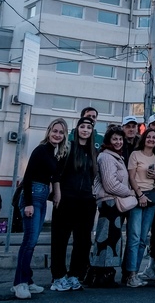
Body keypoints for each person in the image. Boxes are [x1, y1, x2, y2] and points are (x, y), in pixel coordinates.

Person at [12, 118, 68, 300]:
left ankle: (27, 281)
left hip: (42, 196)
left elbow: (55, 176)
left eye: (61, 132)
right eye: (55, 131)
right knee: (29, 241)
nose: (57, 135)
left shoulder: (54, 152)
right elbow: (28, 176)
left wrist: (57, 194)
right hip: (33, 196)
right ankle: (19, 283)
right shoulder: (41, 149)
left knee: (32, 242)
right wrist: (28, 203)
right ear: (49, 131)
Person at [50, 116, 98, 292]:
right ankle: (58, 276)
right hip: (66, 200)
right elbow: (56, 173)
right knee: (60, 240)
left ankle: (74, 275)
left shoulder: (94, 152)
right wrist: (57, 193)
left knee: (83, 241)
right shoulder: (68, 147)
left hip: (86, 202)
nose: (85, 130)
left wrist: (94, 194)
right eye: (82, 127)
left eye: (89, 128)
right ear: (77, 129)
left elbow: (95, 177)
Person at [91, 124, 131, 288]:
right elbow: (110, 185)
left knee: (111, 238)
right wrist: (130, 192)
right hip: (109, 202)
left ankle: (105, 274)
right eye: (115, 139)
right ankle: (102, 275)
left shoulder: (115, 156)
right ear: (108, 140)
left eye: (120, 139)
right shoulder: (107, 157)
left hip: (113, 202)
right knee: (107, 238)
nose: (118, 142)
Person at [124, 128, 155, 288]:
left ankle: (135, 273)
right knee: (134, 237)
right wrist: (140, 195)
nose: (151, 139)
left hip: (151, 198)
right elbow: (131, 177)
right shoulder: (135, 154)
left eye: (154, 138)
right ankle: (130, 275)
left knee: (142, 239)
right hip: (137, 197)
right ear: (144, 138)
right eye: (149, 137)